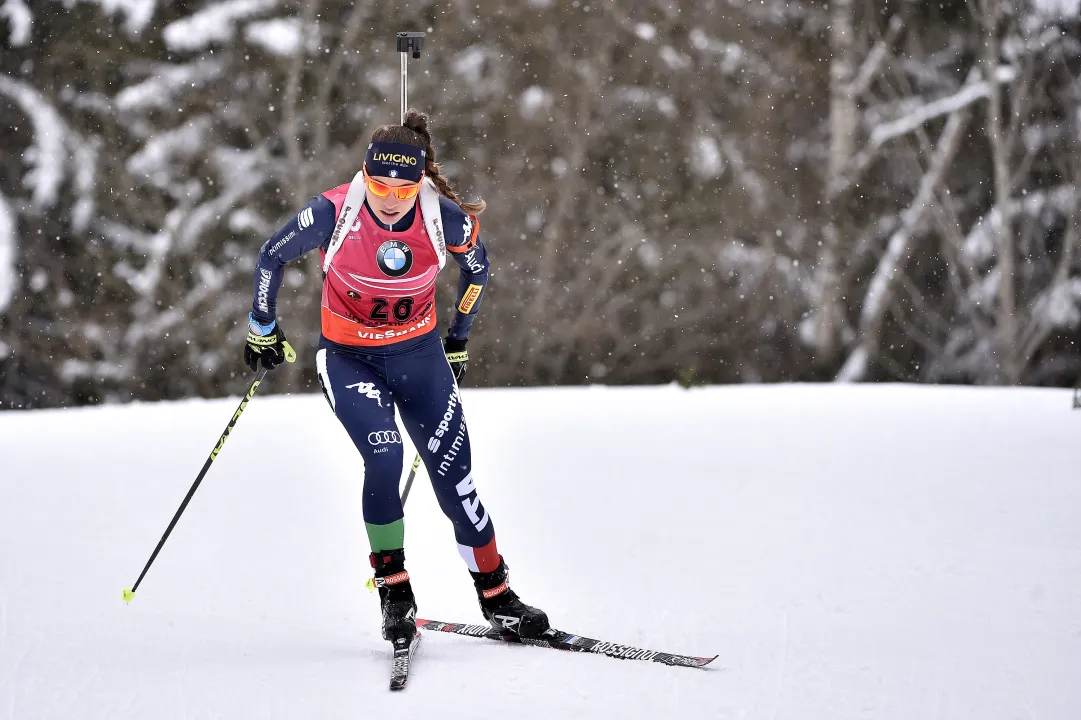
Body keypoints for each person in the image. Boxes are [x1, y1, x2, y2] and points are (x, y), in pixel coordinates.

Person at [243, 110, 550, 646]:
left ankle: (497, 597)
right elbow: (271, 256)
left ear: (420, 182)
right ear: (365, 175)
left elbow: (477, 271)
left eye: (403, 188)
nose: (389, 197)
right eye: (379, 184)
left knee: (457, 480)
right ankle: (395, 591)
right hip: (349, 359)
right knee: (384, 457)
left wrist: (458, 337)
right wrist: (261, 327)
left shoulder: (444, 219)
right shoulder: (333, 213)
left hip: (420, 358)